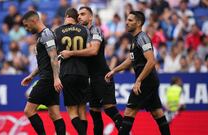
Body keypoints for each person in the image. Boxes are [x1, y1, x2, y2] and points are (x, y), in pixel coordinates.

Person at [105, 11, 171, 135]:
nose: (126, 22)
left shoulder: (142, 38)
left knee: (129, 112)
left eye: (130, 20)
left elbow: (151, 61)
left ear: (139, 23)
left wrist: (139, 80)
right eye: (127, 19)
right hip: (149, 80)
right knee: (157, 113)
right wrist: (114, 70)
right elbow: (130, 60)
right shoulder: (135, 40)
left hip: (146, 81)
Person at [60, 6, 123, 135]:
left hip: (102, 75)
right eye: (78, 15)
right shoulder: (80, 33)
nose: (80, 17)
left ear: (91, 17)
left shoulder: (95, 30)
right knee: (95, 114)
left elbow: (94, 50)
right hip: (89, 78)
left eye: (83, 14)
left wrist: (71, 53)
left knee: (110, 109)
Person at [21, 11, 65, 135]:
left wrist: (56, 78)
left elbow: (54, 57)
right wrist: (31, 75)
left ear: (34, 21)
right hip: (50, 78)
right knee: (54, 114)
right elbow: (44, 62)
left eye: (26, 25)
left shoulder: (46, 34)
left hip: (48, 79)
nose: (26, 28)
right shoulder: (42, 36)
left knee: (29, 111)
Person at [54, 8, 89, 135]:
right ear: (76, 18)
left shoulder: (57, 31)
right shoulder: (84, 30)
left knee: (72, 112)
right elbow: (90, 50)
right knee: (82, 110)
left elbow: (53, 54)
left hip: (67, 73)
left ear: (66, 16)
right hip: (83, 73)